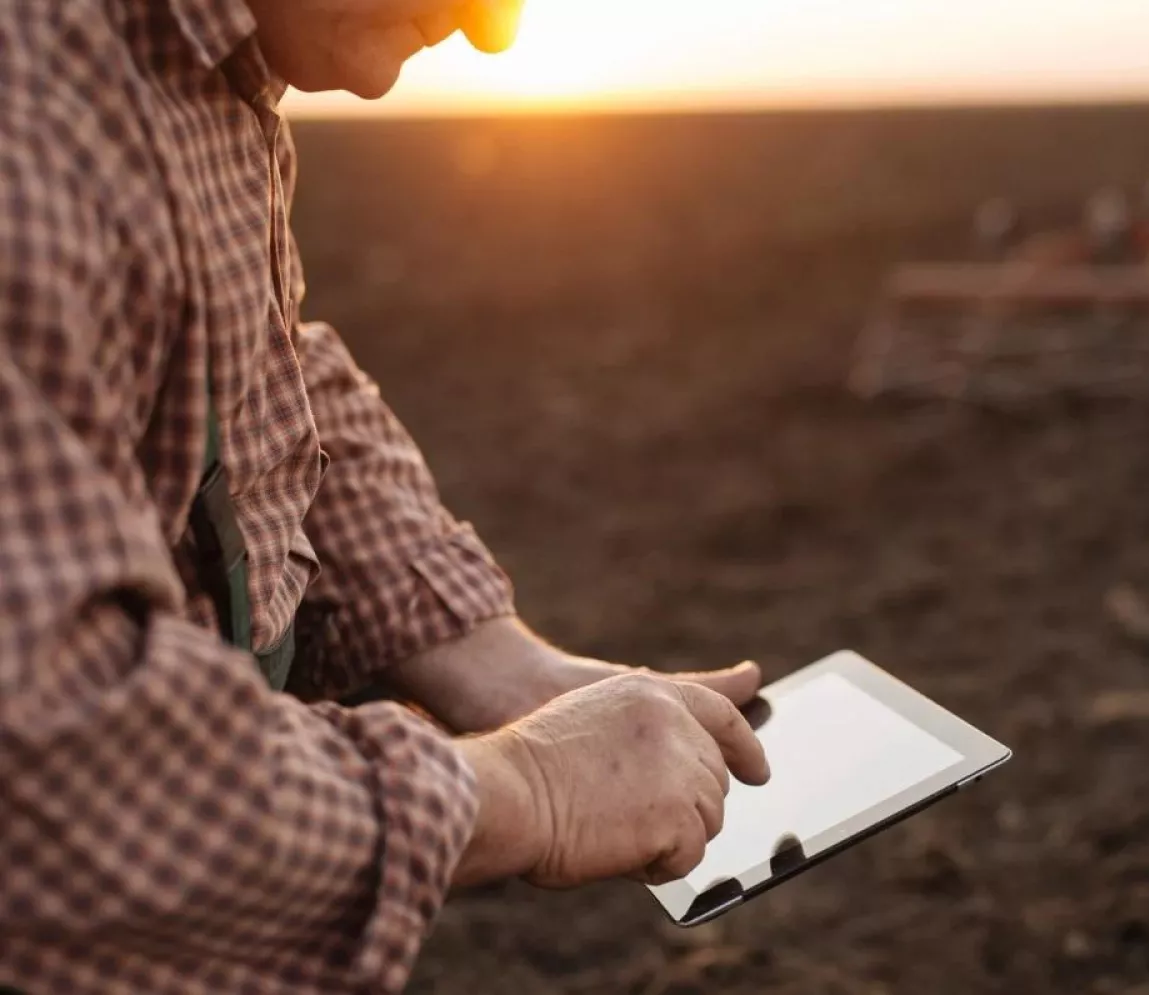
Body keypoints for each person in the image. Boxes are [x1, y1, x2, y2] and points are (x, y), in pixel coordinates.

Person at [0, 3, 771, 993]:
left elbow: (250, 364)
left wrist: (493, 657)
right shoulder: (30, 105)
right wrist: (524, 786)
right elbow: (54, 763)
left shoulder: (187, 66)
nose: (493, 36)